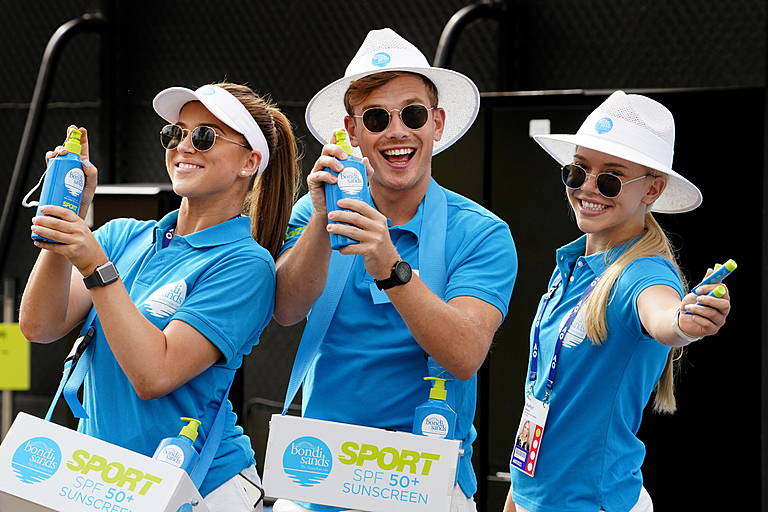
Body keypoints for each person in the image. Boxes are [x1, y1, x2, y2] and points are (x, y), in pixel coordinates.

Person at [19, 82, 299, 511]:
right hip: (102, 479)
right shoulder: (122, 235)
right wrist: (65, 223)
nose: (184, 146)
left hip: (202, 487)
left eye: (204, 136)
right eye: (175, 133)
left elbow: (155, 374)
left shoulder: (247, 265)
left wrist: (96, 266)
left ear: (250, 162)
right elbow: (39, 327)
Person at [272, 28, 517, 512]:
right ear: (352, 130)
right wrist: (323, 218)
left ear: (437, 123)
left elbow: (465, 354)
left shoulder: (482, 233)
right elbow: (284, 309)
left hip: (424, 482)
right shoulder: (315, 213)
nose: (397, 131)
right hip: (320, 474)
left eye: (413, 114)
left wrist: (390, 265)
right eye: (378, 118)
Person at [503, 91, 732, 512]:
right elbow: (542, 394)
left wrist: (685, 321)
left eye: (610, 178)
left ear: (653, 189)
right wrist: (517, 496)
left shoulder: (643, 273)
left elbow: (662, 314)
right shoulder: (574, 263)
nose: (588, 188)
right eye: (577, 171)